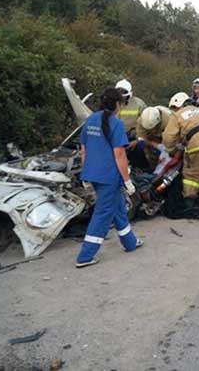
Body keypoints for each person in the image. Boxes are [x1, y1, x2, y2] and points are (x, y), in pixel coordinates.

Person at [76, 88, 143, 268]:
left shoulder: (90, 120)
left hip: (94, 174)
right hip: (108, 177)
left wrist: (85, 173)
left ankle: (130, 242)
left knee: (119, 207)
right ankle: (85, 256)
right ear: (117, 104)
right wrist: (127, 180)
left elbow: (83, 149)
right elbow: (119, 155)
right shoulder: (115, 124)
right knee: (103, 214)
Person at [163, 92, 199, 207]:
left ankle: (189, 200)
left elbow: (168, 138)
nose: (174, 110)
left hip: (197, 142)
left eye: (174, 107)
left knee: (192, 173)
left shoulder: (177, 114)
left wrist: (172, 149)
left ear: (178, 104)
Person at [115, 79, 148, 169]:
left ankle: (141, 169)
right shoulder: (111, 104)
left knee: (139, 149)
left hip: (133, 137)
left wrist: (137, 140)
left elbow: (147, 125)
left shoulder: (139, 104)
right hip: (116, 138)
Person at [136, 106, 173, 171]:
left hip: (167, 137)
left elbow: (172, 141)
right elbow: (141, 138)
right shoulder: (141, 121)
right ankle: (153, 166)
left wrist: (164, 153)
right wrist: (150, 144)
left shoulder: (169, 120)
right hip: (152, 138)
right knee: (145, 149)